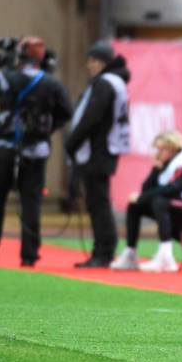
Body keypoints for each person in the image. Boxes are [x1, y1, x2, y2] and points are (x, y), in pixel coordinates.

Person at [0, 36, 72, 267]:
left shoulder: (7, 79)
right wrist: (45, 129)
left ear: (19, 57)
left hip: (5, 148)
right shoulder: (51, 83)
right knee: (31, 203)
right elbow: (66, 112)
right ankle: (29, 256)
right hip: (36, 151)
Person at [110, 130, 182, 272]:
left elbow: (176, 188)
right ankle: (130, 254)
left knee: (159, 201)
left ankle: (166, 257)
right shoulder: (168, 164)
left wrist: (143, 197)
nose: (158, 153)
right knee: (135, 205)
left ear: (172, 147)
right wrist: (156, 169)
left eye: (161, 149)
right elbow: (146, 190)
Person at [65, 40, 131, 268]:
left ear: (103, 62)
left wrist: (72, 143)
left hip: (98, 151)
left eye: (93, 60)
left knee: (98, 202)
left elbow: (91, 119)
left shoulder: (104, 84)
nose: (89, 65)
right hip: (106, 150)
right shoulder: (116, 82)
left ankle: (103, 252)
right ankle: (102, 250)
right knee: (98, 201)